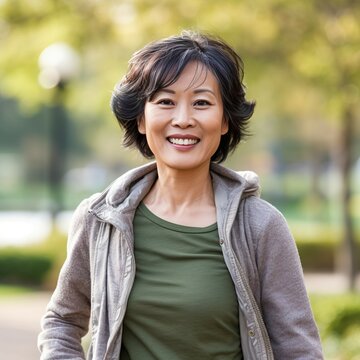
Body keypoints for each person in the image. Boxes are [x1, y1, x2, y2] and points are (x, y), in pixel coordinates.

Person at [38, 30, 323, 359]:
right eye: (165, 102)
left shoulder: (260, 226)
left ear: (225, 120)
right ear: (141, 119)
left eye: (202, 103)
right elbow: (61, 320)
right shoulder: (101, 219)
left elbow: (299, 349)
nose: (183, 119)